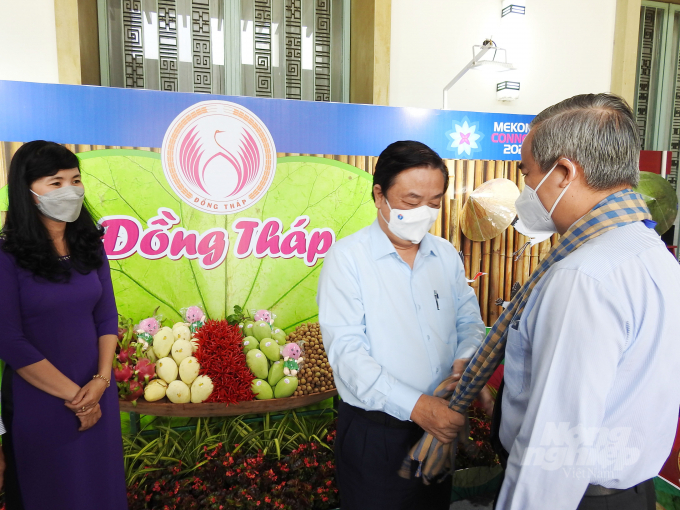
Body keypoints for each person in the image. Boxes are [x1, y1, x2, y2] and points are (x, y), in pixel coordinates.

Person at [484, 94, 680, 509]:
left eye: (527, 173)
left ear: (564, 172)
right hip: (631, 492)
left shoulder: (582, 277)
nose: (527, 189)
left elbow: (554, 448)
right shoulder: (652, 252)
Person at [317, 140, 487, 510]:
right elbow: (347, 353)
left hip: (442, 421)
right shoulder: (348, 259)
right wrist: (416, 406)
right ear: (380, 195)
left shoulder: (444, 254)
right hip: (377, 432)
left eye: (435, 202)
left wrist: (465, 360)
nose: (424, 212)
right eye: (411, 202)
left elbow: (469, 322)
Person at [0, 141, 127, 509]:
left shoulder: (90, 245)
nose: (70, 191)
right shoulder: (7, 256)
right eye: (56, 183)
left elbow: (106, 315)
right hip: (42, 399)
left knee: (100, 489)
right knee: (53, 491)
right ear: (28, 192)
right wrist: (76, 397)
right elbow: (8, 339)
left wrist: (102, 380)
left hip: (98, 391)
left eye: (75, 180)